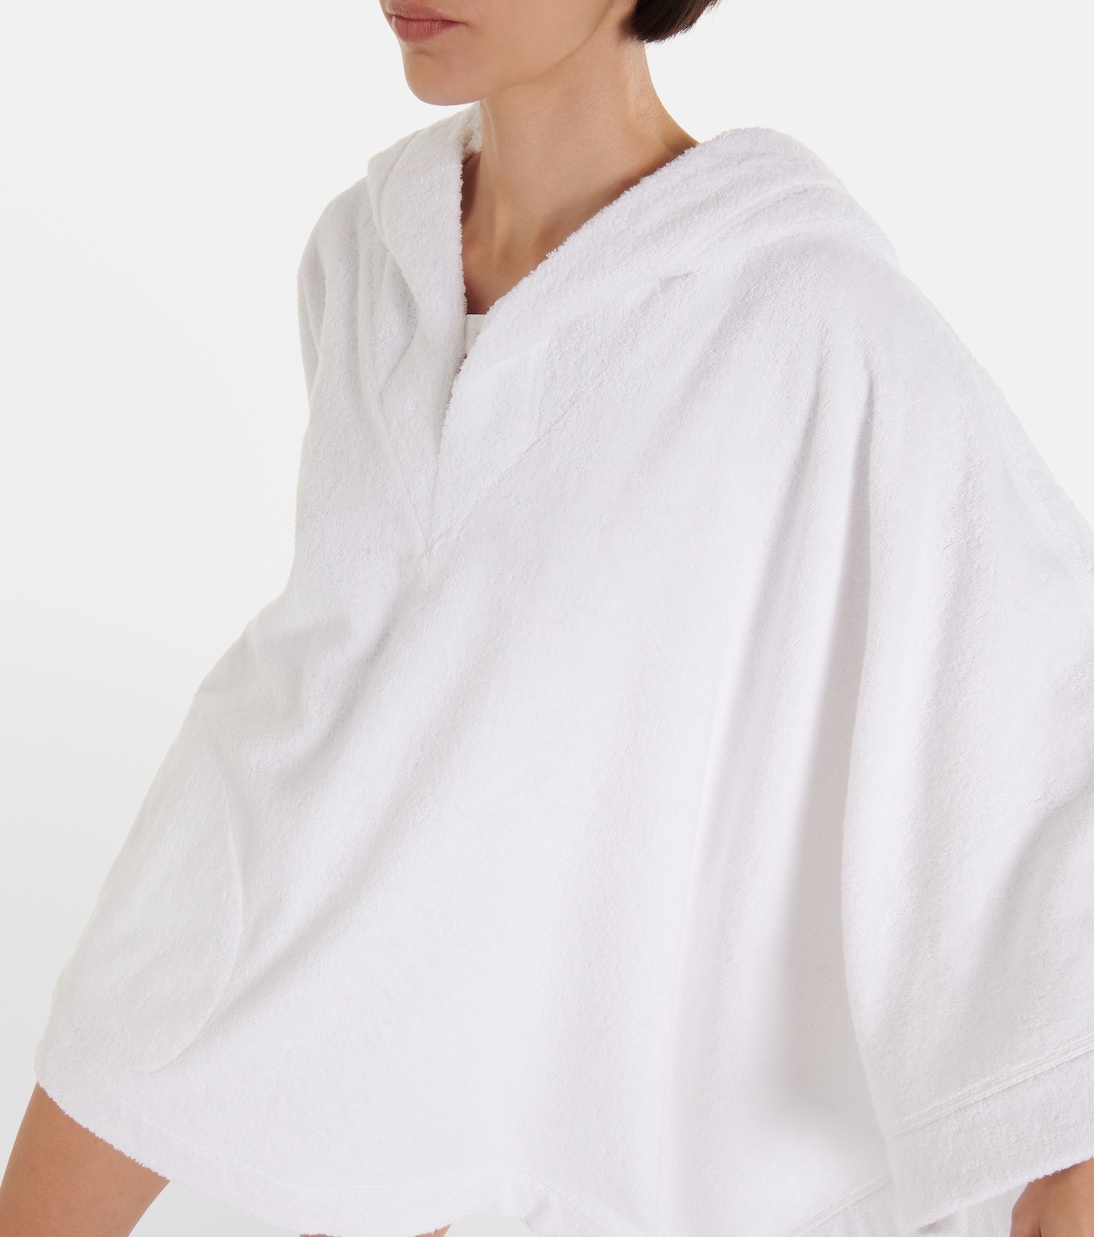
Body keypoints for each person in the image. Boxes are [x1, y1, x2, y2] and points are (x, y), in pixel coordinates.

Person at [3, 0, 1094, 1234]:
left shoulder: (813, 321)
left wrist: (1062, 1153)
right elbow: (368, 689)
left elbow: (1030, 721)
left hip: (642, 1122)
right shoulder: (363, 262)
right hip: (312, 1022)